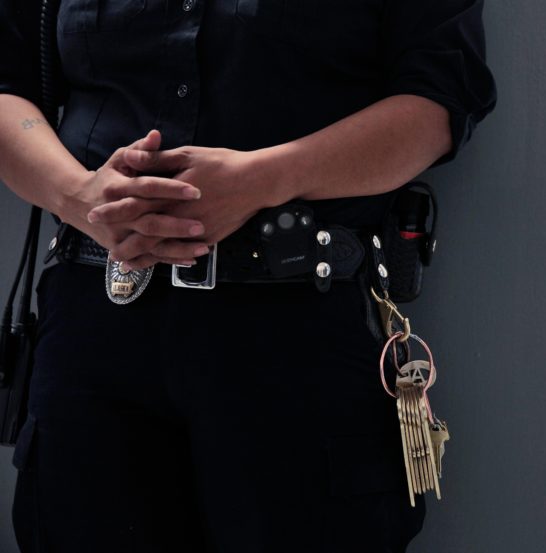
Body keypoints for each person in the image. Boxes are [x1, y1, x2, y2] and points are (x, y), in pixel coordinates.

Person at [0, 0, 496, 551]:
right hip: (94, 335)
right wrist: (80, 198)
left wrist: (264, 179)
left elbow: (438, 104)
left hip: (297, 335)